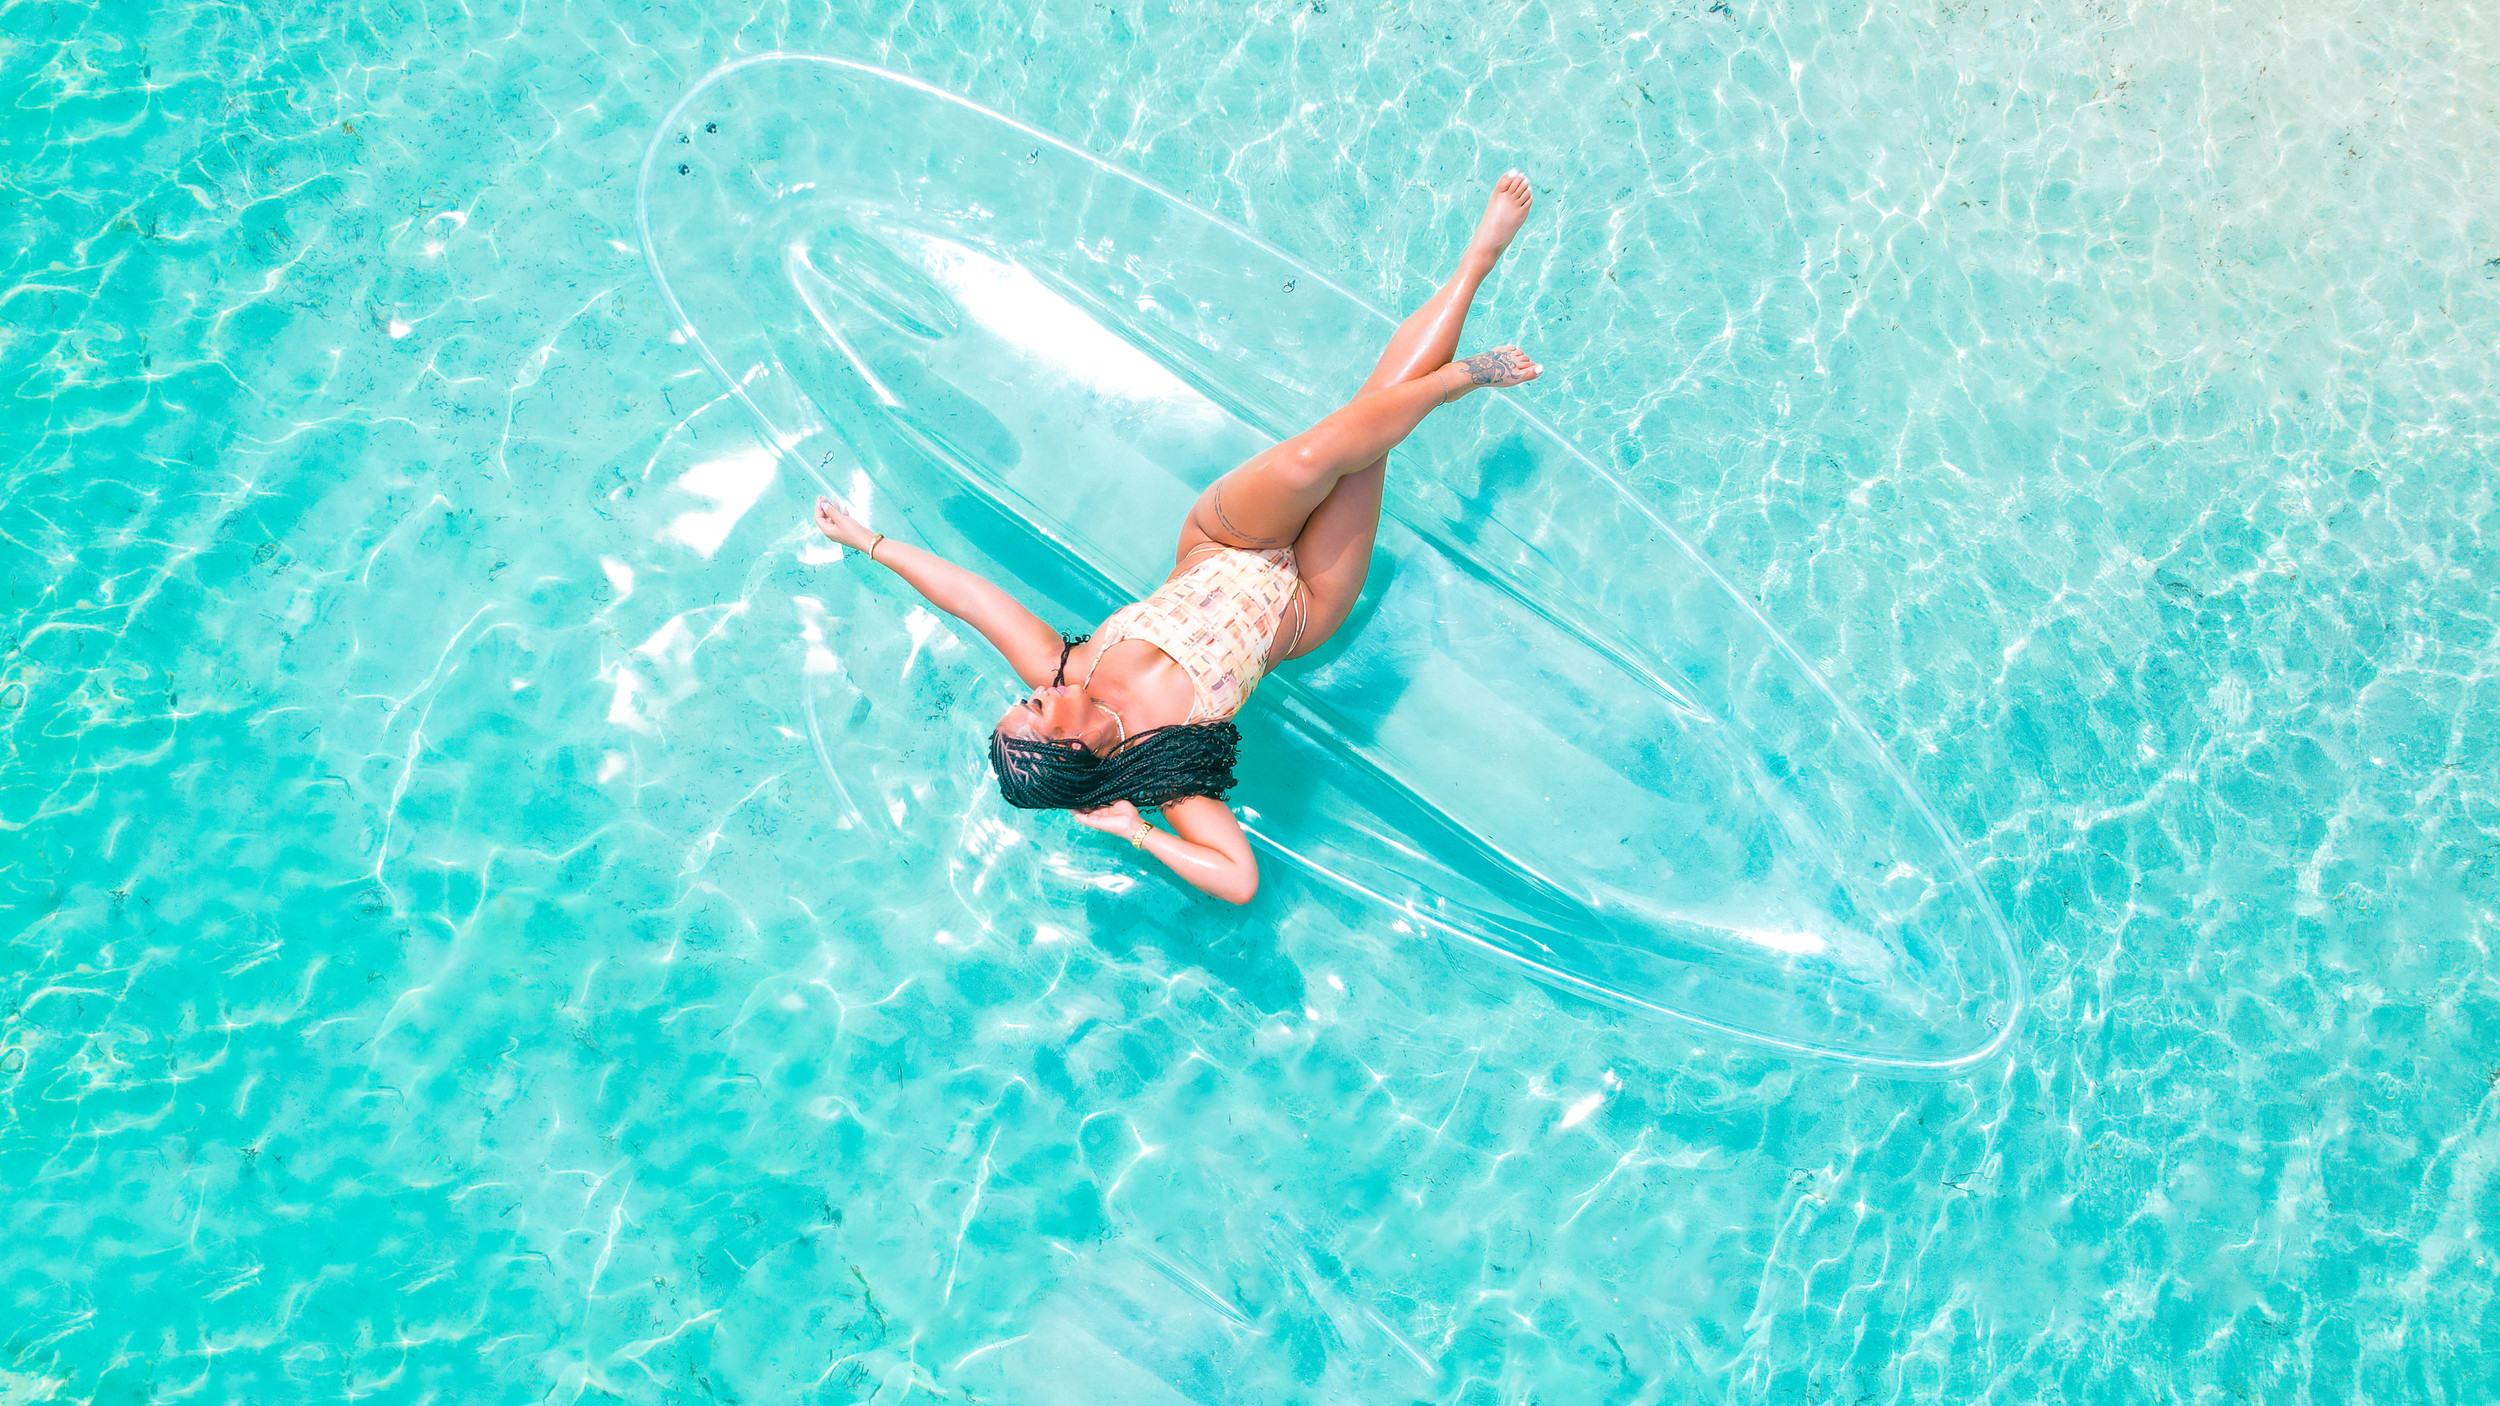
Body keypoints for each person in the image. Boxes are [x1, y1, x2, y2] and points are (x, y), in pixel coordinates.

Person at [811, 174, 1541, 904]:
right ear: (1068, 745)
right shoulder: (1168, 772)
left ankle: (1456, 378)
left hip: (1223, 542)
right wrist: (1136, 831)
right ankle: (1474, 267)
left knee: (1315, 455)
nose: (1032, 689)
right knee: (1370, 432)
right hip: (1306, 603)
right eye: (1032, 708)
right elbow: (1239, 880)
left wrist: (867, 541)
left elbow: (968, 597)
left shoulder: (1065, 666)